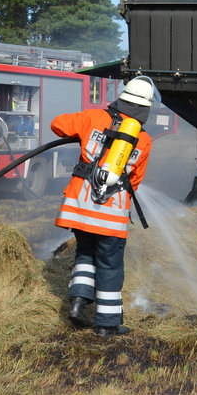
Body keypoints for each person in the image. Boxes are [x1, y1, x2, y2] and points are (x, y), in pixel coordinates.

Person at [53, 76, 156, 338]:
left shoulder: (92, 118)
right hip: (112, 213)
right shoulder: (143, 140)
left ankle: (78, 302)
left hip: (80, 205)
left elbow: (57, 125)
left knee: (85, 252)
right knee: (110, 265)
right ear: (145, 108)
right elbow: (136, 180)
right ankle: (107, 325)